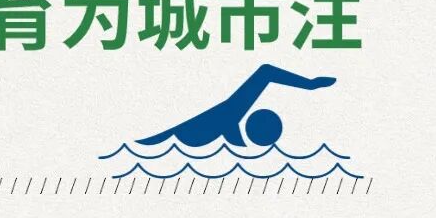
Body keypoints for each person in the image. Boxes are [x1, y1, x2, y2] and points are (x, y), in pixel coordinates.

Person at [133, 64, 337, 154]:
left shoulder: (230, 110)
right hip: (190, 138)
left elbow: (265, 73)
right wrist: (310, 85)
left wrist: (310, 85)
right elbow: (265, 73)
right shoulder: (230, 111)